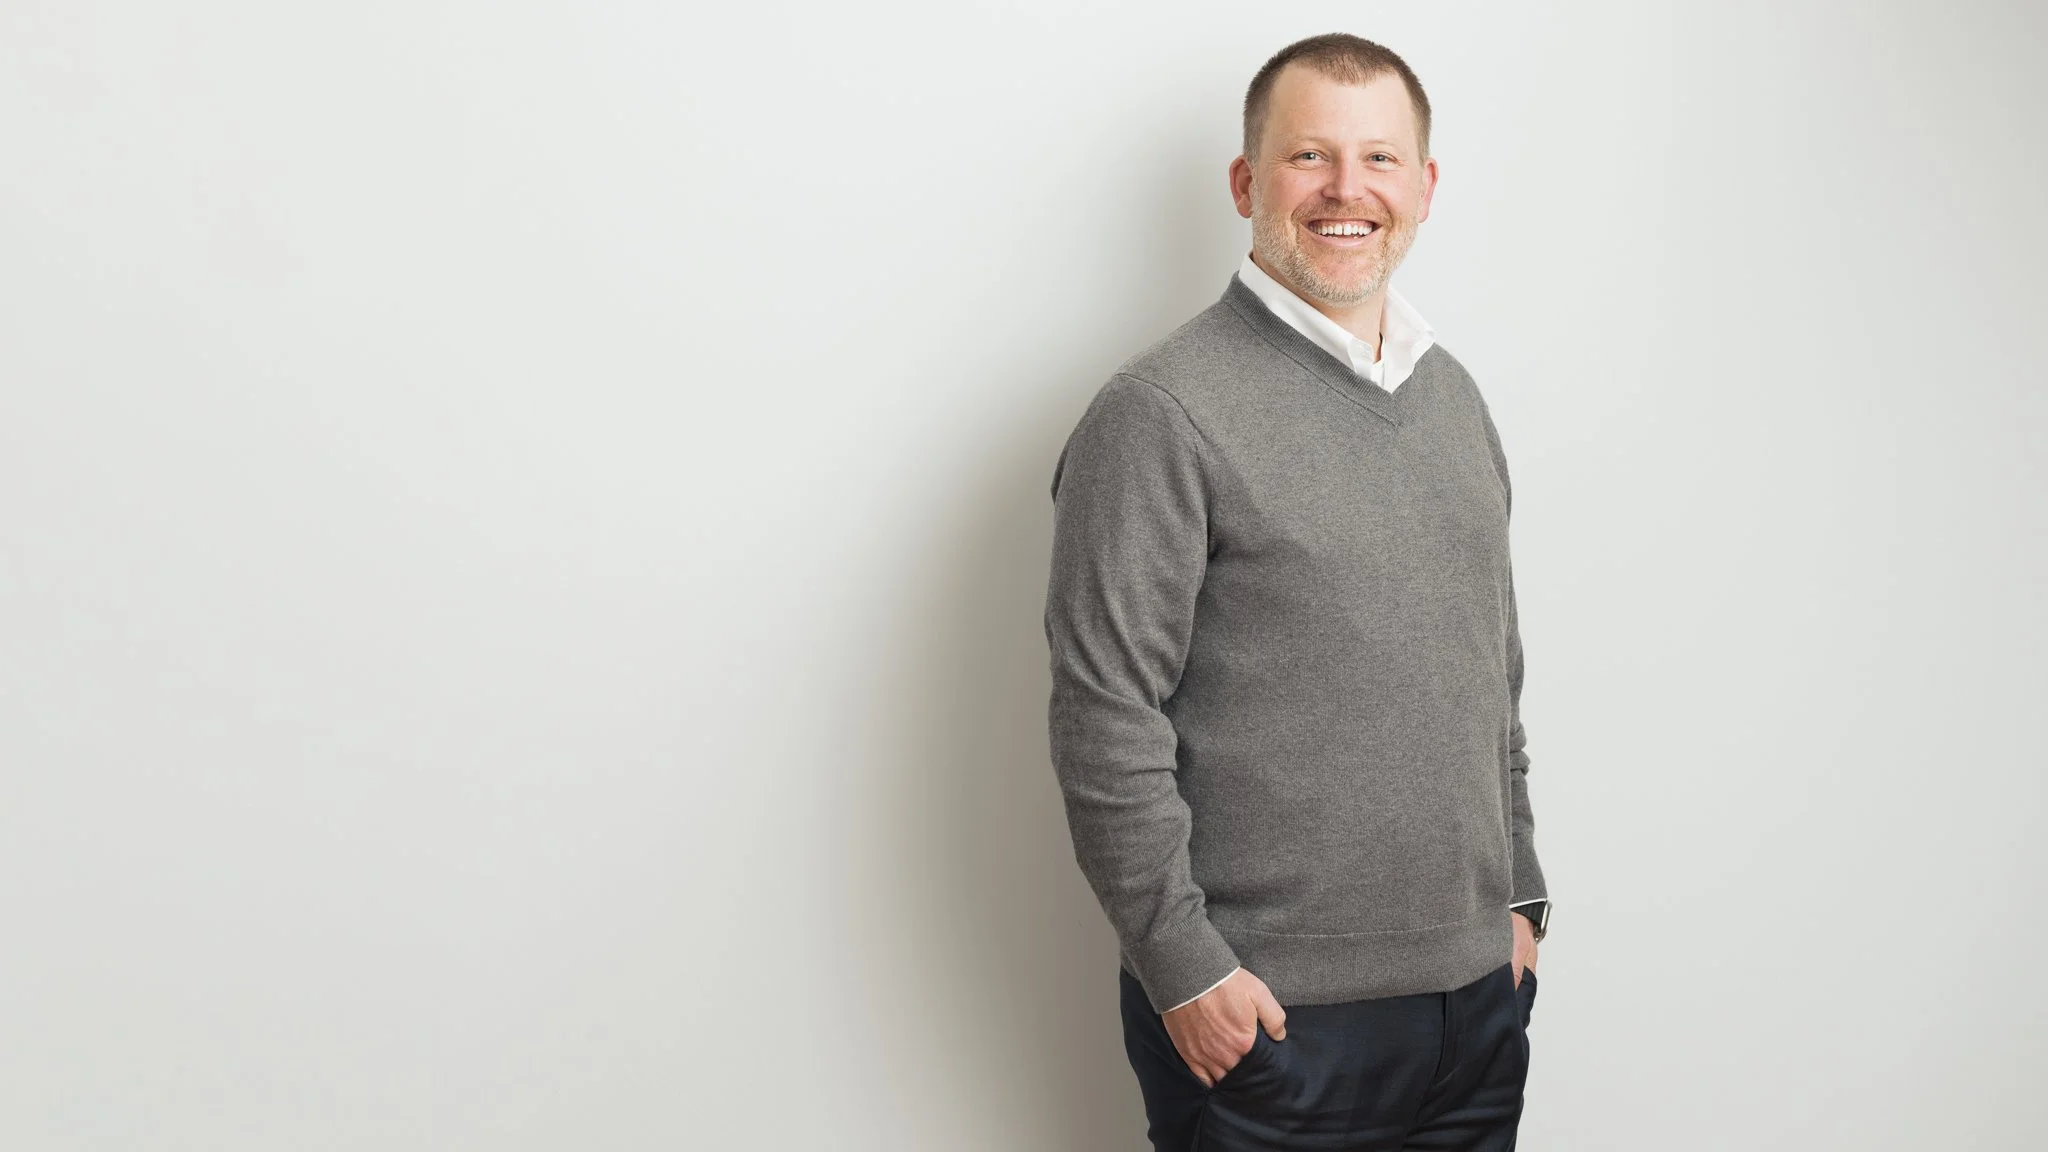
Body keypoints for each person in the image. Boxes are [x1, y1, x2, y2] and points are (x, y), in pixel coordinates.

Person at [1042, 32, 1553, 1151]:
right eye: (1306, 156)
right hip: (1269, 1022)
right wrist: (1184, 971)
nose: (1344, 189)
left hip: (1472, 1009)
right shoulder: (1159, 414)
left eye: (1378, 159)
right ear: (1244, 183)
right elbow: (1103, 715)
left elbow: (1488, 678)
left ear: (1422, 188)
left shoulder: (1453, 400)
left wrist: (1517, 900)